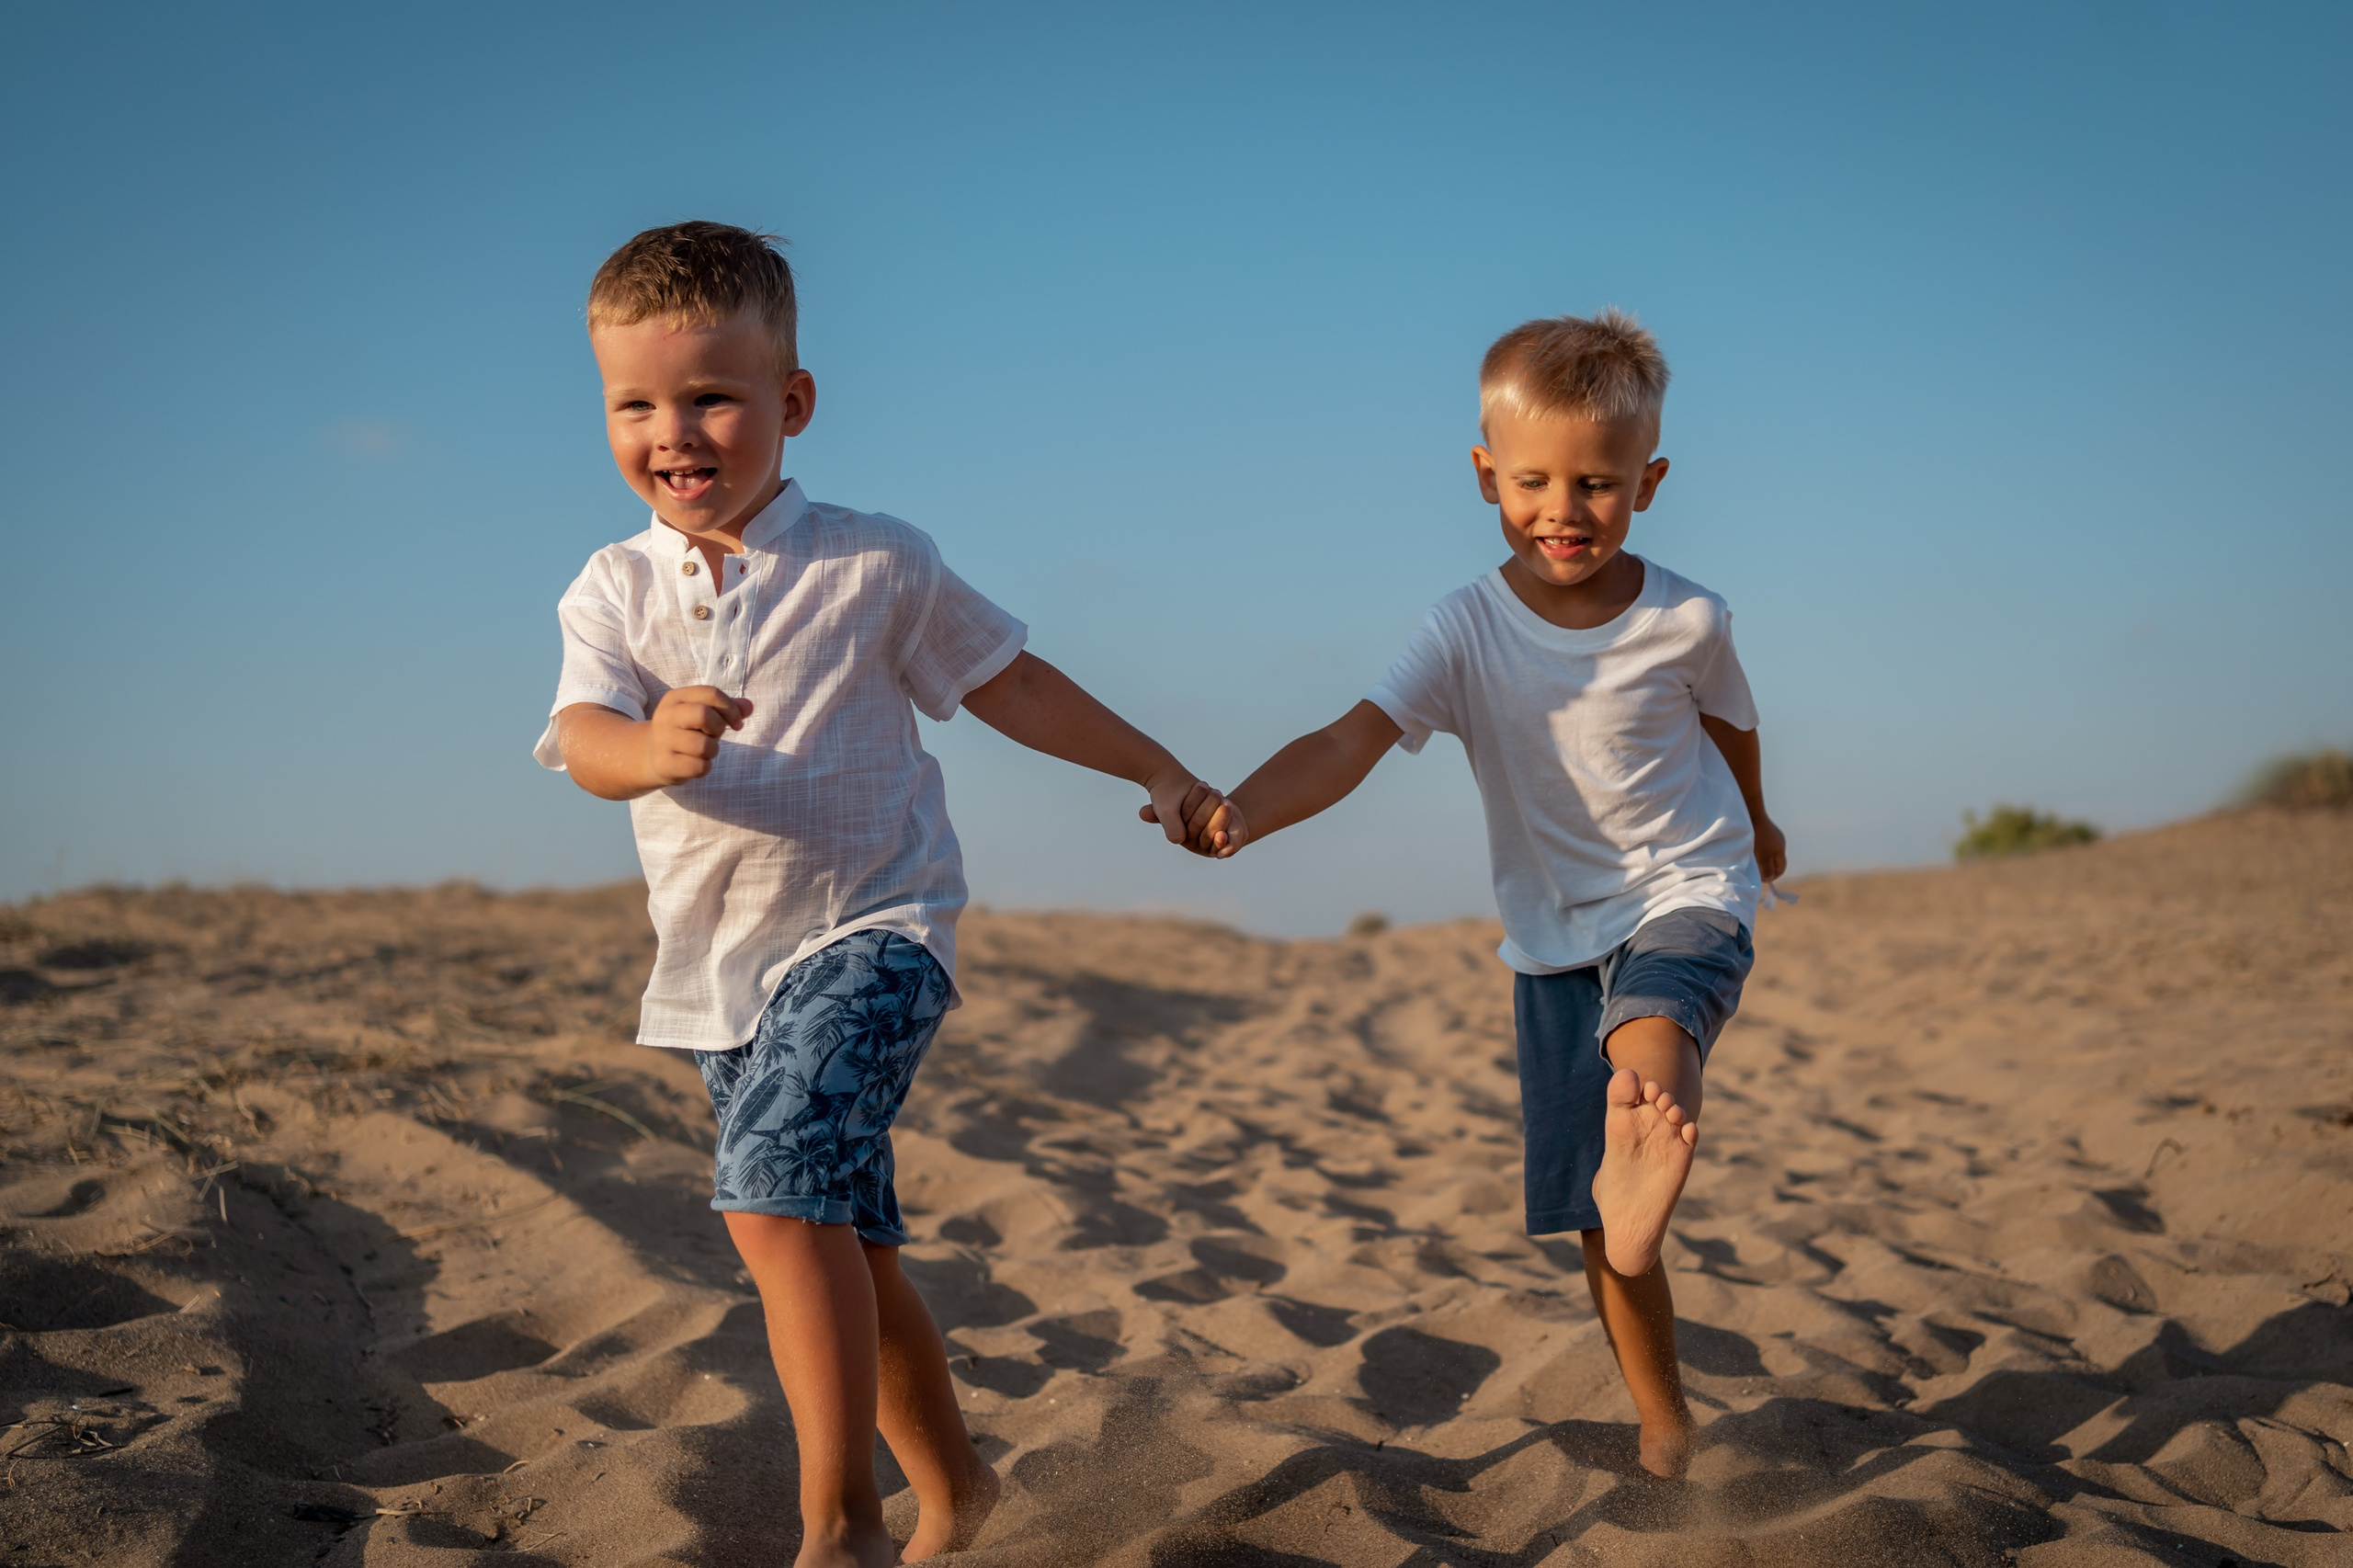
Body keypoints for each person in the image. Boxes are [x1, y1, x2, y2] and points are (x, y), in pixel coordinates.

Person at [536, 221, 1224, 1566]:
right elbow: (582, 741)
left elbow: (1009, 680)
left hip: (876, 929)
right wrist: (651, 748)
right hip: (717, 974)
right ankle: (959, 1495)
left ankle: (839, 1521)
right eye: (636, 403)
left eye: (713, 396)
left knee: (774, 1202)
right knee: (847, 1241)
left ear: (792, 403)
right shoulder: (611, 588)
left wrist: (1155, 765)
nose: (674, 430)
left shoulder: (874, 562)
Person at [1179, 311, 1786, 1481]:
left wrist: (1755, 826)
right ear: (1484, 476)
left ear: (1648, 483)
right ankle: (1664, 1419)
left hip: (1688, 883)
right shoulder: (1463, 628)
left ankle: (1655, 1132)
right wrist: (1247, 806)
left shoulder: (1687, 617)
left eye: (1599, 484)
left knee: (1653, 1018)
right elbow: (1350, 738)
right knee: (1597, 1218)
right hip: (1553, 937)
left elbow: (1732, 724)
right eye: (1535, 481)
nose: (1565, 509)